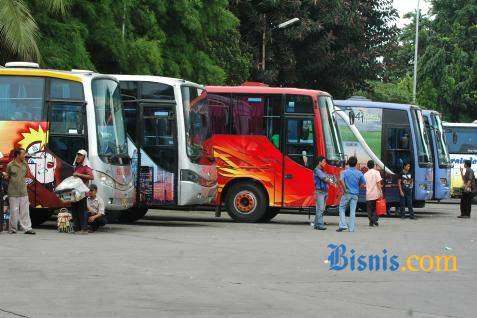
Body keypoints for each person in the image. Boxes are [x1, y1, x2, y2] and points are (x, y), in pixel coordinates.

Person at [5, 148, 35, 234]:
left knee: (25, 211)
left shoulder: (25, 164)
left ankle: (27, 228)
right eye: (23, 154)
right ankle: (13, 229)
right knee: (14, 211)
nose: (25, 155)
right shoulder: (10, 165)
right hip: (13, 191)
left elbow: (25, 175)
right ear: (18, 155)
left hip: (23, 191)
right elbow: (7, 176)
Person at [337, 156, 366, 232]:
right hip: (355, 194)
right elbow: (363, 183)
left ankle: (343, 225)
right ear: (356, 164)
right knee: (352, 211)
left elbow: (341, 180)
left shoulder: (344, 172)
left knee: (342, 208)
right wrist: (359, 187)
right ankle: (351, 228)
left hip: (347, 193)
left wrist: (345, 189)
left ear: (348, 163)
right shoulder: (359, 173)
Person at [71, 149, 94, 233]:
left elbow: (91, 177)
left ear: (84, 157)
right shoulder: (76, 166)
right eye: (78, 155)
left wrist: (78, 174)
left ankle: (83, 228)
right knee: (74, 210)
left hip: (82, 192)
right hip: (75, 192)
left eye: (80, 155)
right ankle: (76, 228)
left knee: (81, 210)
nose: (78, 157)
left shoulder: (86, 166)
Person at [312, 156, 333, 230]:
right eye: (323, 162)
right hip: (320, 192)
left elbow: (327, 177)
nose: (325, 163)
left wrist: (329, 179)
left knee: (320, 209)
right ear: (319, 162)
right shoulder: (317, 170)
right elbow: (324, 178)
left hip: (324, 191)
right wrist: (331, 181)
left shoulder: (322, 170)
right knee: (320, 209)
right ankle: (320, 224)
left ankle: (316, 224)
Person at [364, 160, 383, 227]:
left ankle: (371, 221)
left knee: (369, 209)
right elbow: (378, 183)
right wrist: (381, 191)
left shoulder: (365, 174)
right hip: (376, 194)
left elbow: (364, 185)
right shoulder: (377, 172)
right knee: (376, 209)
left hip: (368, 194)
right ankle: (374, 220)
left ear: (367, 166)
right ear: (374, 165)